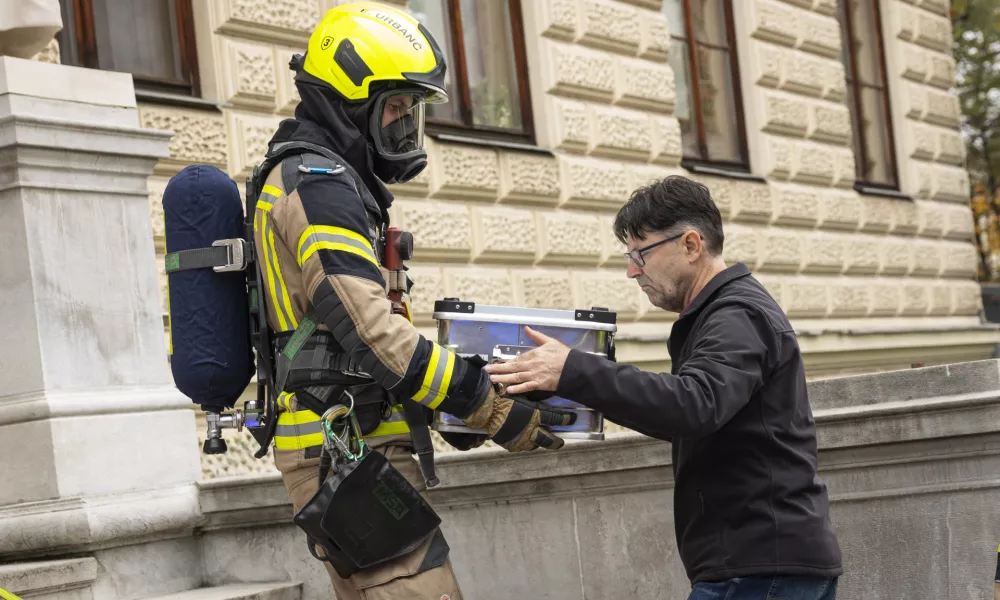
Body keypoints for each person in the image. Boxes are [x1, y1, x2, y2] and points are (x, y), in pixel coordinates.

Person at [251, 3, 572, 598]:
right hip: (346, 451)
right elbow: (370, 332)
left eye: (410, 110)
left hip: (347, 444)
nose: (404, 124)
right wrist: (490, 407)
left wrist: (443, 402)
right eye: (395, 106)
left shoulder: (325, 179)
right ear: (350, 97)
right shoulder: (318, 186)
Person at [484, 175, 844, 600]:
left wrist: (573, 370)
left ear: (691, 245)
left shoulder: (736, 313)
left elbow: (694, 404)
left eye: (641, 253)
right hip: (761, 565)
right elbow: (684, 413)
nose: (632, 269)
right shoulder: (722, 313)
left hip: (759, 571)